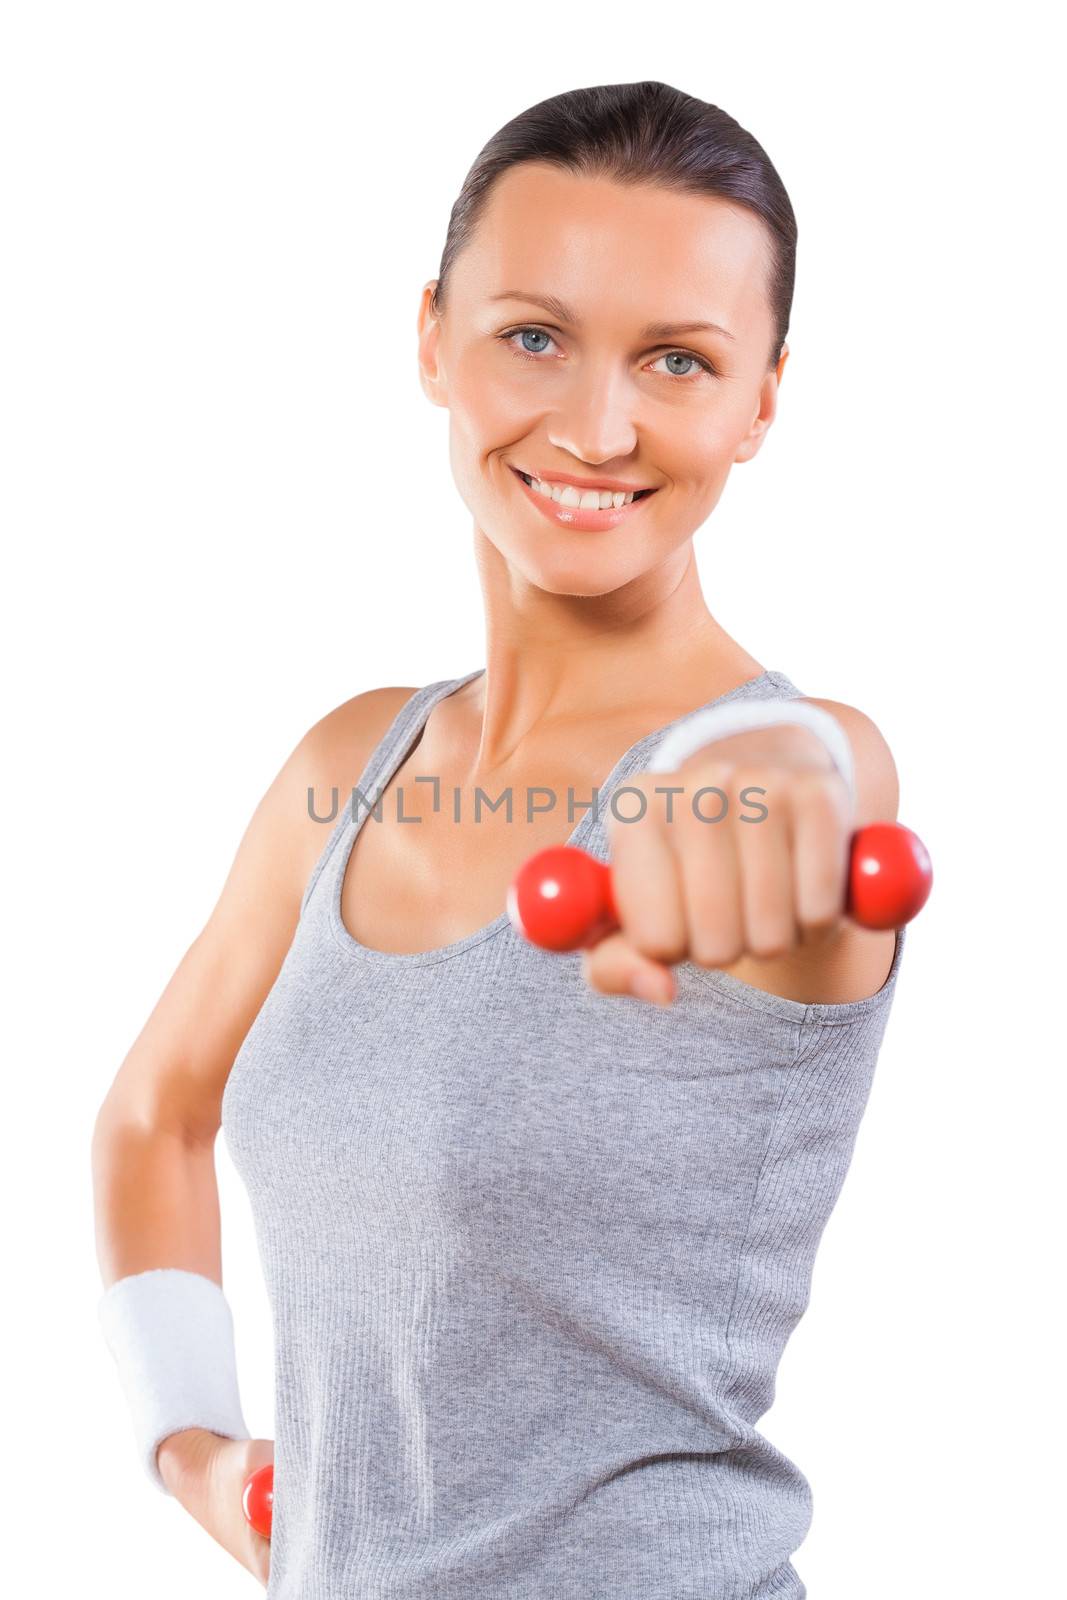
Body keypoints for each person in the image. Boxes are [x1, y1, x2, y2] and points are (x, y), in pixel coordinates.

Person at [92, 81, 909, 1598]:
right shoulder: (351, 763)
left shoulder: (790, 771)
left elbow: (819, 790)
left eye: (679, 360)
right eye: (534, 335)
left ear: (761, 402)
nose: (596, 425)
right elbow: (157, 1112)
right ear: (431, 341)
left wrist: (767, 772)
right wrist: (191, 1444)